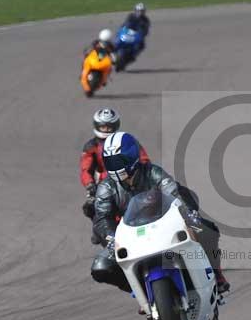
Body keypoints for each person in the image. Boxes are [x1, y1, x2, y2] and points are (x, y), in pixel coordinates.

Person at [90, 132, 230, 294]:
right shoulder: (106, 187)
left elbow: (174, 192)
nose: (115, 166)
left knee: (208, 230)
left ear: (131, 157)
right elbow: (101, 218)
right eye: (111, 161)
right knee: (100, 268)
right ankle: (139, 290)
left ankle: (217, 275)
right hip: (131, 235)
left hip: (164, 225)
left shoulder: (153, 172)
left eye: (119, 161)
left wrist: (189, 214)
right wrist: (112, 237)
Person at [80, 108, 149, 243]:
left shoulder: (127, 141)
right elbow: (85, 169)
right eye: (103, 126)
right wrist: (89, 185)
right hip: (102, 184)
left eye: (109, 127)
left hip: (128, 178)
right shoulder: (91, 146)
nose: (105, 129)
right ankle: (102, 232)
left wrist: (143, 172)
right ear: (97, 126)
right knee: (91, 207)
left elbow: (144, 159)